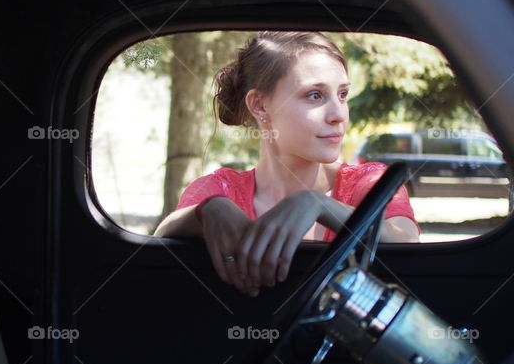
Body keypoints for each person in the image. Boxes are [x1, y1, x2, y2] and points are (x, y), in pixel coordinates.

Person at [153, 31, 420, 297]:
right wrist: (207, 211)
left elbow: (407, 243)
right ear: (260, 105)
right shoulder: (222, 190)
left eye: (342, 94)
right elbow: (160, 240)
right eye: (315, 95)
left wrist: (318, 204)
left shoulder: (370, 183)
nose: (339, 114)